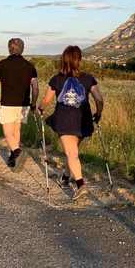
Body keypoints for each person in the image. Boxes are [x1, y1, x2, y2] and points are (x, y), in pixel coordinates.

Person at [39, 45, 104, 201]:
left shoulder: (56, 79)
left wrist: (39, 108)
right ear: (79, 60)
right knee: (72, 152)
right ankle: (66, 177)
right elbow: (99, 99)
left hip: (65, 120)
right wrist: (99, 113)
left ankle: (81, 185)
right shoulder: (89, 78)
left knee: (71, 153)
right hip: (84, 120)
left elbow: (46, 100)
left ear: (64, 60)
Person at [0, 38, 38, 170]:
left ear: (9, 49)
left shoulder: (1, 65)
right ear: (22, 48)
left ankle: (17, 152)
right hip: (24, 104)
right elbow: (35, 88)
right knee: (16, 130)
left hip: (7, 104)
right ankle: (13, 158)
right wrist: (33, 103)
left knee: (8, 133)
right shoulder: (30, 66)